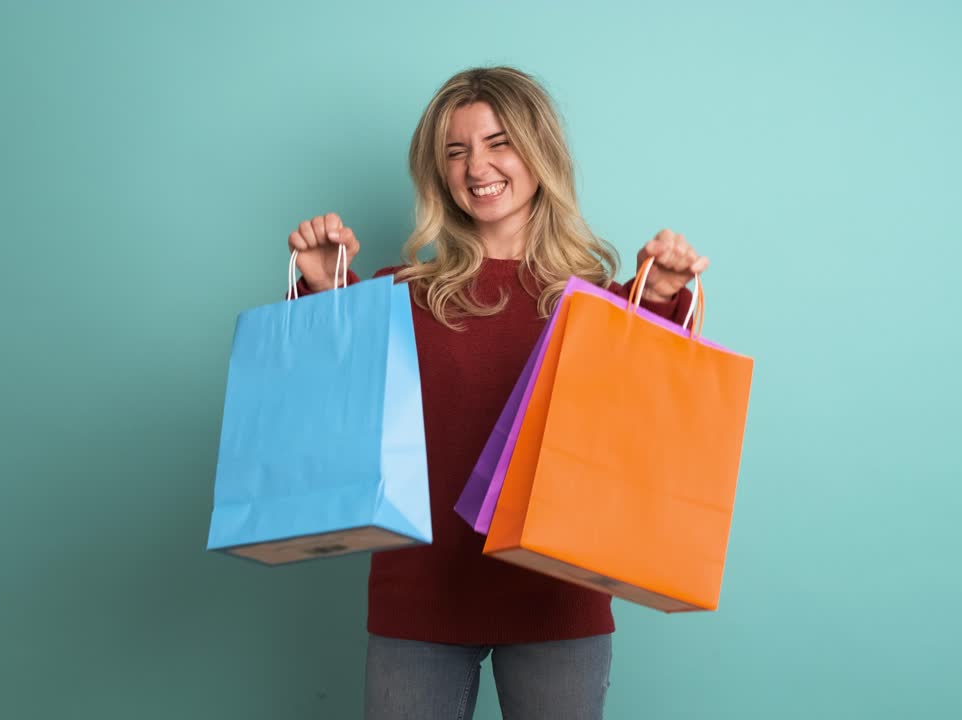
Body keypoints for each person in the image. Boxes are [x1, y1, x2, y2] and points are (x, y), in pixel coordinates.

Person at [287, 66, 709, 720]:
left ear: (540, 152)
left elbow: (644, 411)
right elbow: (331, 397)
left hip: (557, 596)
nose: (476, 165)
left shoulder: (597, 301)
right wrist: (323, 289)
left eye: (498, 142)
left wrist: (657, 295)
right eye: (455, 150)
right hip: (418, 598)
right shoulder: (402, 291)